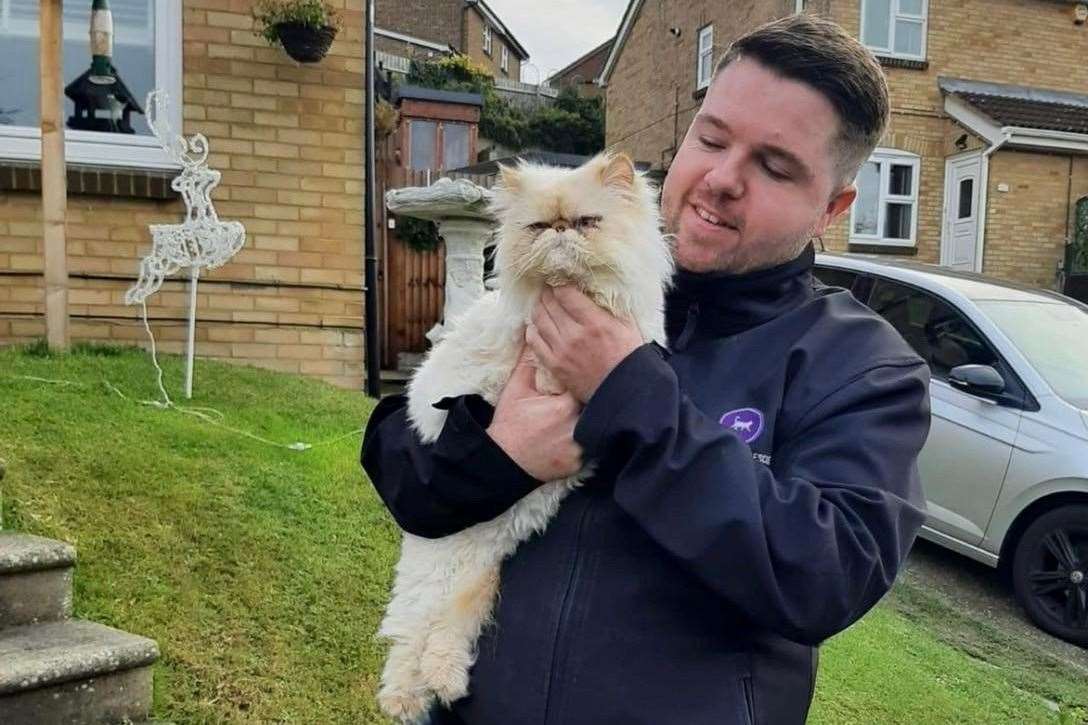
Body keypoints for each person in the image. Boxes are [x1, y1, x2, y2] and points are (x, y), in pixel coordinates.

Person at [362, 13, 931, 725]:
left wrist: (627, 393)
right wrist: (499, 456)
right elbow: (398, 459)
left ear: (833, 207)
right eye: (712, 138)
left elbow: (823, 575)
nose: (722, 178)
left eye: (774, 166)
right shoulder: (566, 283)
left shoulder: (862, 366)